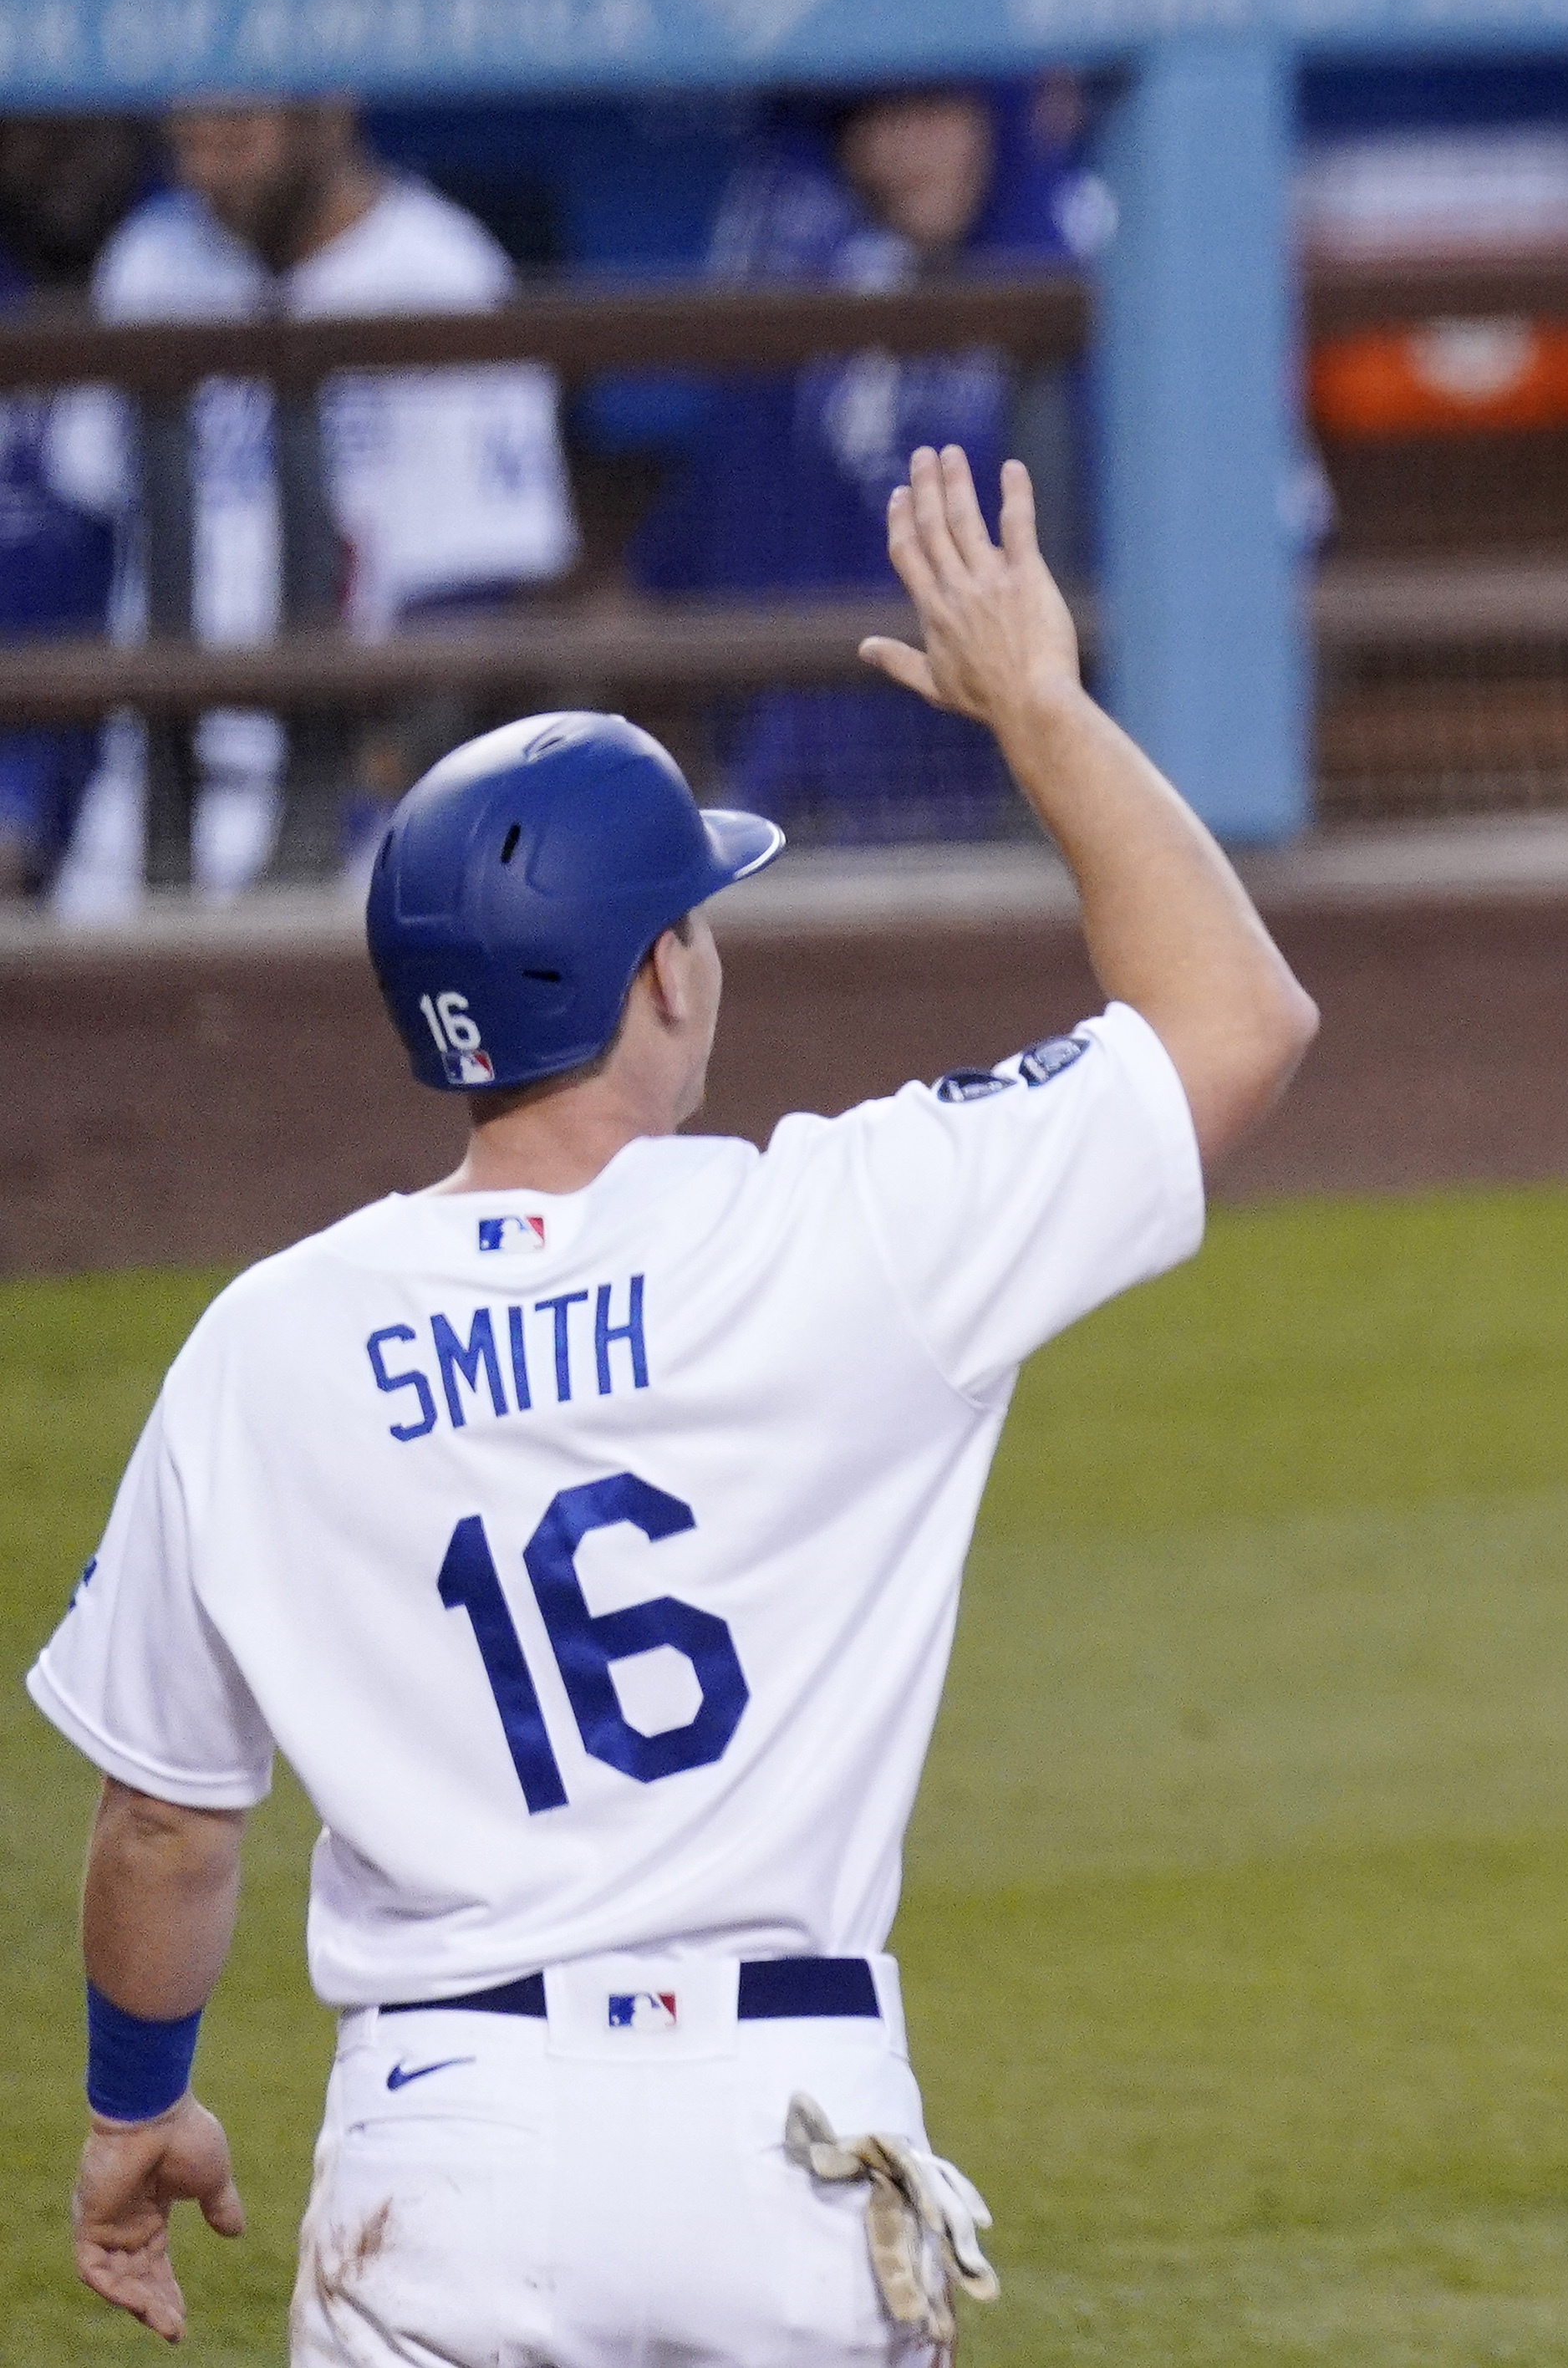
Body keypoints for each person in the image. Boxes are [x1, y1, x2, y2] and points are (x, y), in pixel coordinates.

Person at [31, 445, 1316, 2361]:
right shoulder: (840, 1232)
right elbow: (1238, 1021)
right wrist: (1035, 705)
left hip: (438, 2162)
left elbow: (166, 1822)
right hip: (779, 2146)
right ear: (657, 976)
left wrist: (138, 2104)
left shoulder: (261, 1343)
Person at [53, 94, 575, 917]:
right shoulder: (151, 256)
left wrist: (362, 794)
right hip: (144, 793)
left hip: (345, 797)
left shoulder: (439, 271)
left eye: (236, 140)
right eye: (187, 144)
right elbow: (86, 528)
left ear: (327, 117)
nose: (206, 175)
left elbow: (477, 593)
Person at [633, 85, 1108, 843]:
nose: (902, 150)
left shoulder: (1099, 253)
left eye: (934, 111)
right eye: (873, 120)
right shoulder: (826, 273)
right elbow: (729, 521)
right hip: (829, 752)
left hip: (1039, 766)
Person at [0, 115, 143, 895]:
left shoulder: (175, 259)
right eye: (35, 126)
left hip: (147, 724)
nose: (64, 155)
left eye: (89, 122)